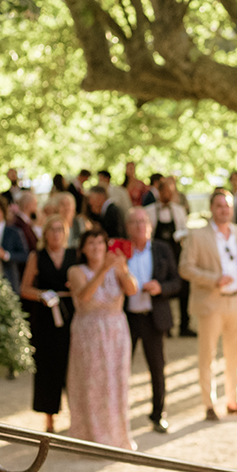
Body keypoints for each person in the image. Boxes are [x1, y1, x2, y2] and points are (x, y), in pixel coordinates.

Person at [181, 190, 237, 421]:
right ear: (211, 208)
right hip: (211, 303)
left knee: (236, 355)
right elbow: (185, 267)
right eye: (219, 206)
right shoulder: (198, 235)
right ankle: (209, 404)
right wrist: (213, 279)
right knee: (208, 355)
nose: (224, 210)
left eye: (227, 206)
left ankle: (234, 400)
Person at [66, 229, 137, 449]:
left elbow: (132, 290)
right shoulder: (76, 271)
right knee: (91, 383)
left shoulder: (117, 268)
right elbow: (84, 296)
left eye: (100, 242)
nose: (96, 247)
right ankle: (89, 437)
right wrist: (103, 270)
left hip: (116, 332)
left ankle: (117, 435)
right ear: (83, 248)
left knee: (117, 382)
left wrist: (122, 268)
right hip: (89, 332)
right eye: (91, 243)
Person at [121, 208, 182, 433]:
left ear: (150, 225)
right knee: (121, 368)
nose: (140, 226)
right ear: (127, 227)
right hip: (126, 319)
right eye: (134, 222)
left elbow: (177, 282)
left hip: (153, 318)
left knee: (157, 368)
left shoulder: (162, 249)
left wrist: (160, 287)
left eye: (143, 222)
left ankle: (158, 414)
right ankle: (119, 417)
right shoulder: (121, 252)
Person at [20, 218, 75, 433]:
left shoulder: (74, 255)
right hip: (45, 318)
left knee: (72, 364)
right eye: (52, 229)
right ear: (45, 233)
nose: (56, 234)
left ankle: (75, 414)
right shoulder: (37, 256)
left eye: (59, 229)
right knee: (47, 367)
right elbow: (25, 288)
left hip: (71, 313)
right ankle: (49, 418)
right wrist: (42, 295)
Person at [145, 177, 194, 337]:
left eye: (170, 192)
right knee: (162, 289)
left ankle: (184, 325)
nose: (167, 194)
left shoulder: (179, 210)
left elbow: (185, 230)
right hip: (158, 256)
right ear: (159, 192)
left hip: (176, 253)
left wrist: (179, 235)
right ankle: (164, 325)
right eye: (164, 191)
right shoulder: (150, 211)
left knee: (183, 289)